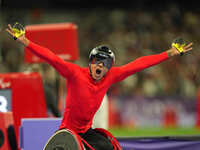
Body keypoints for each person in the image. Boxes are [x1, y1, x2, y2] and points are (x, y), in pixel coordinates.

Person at [5, 24, 193, 150]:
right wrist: (25, 41)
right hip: (67, 132)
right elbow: (50, 57)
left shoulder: (111, 76)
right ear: (90, 63)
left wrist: (170, 53)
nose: (99, 66)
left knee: (110, 145)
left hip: (87, 132)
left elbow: (140, 64)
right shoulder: (75, 73)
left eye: (103, 64)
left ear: (109, 67)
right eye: (96, 62)